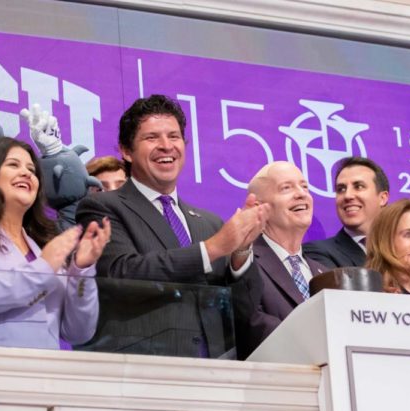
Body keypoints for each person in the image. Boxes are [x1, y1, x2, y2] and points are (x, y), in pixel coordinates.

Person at [75, 94, 268, 357]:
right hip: (144, 368)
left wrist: (241, 252)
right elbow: (120, 275)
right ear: (126, 150)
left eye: (174, 136)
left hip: (216, 371)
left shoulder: (209, 222)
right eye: (151, 137)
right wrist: (211, 249)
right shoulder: (102, 207)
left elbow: (242, 310)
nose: (166, 146)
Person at [0, 137, 110, 350]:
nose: (27, 173)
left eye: (32, 169)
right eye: (13, 165)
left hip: (44, 376)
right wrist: (42, 268)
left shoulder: (41, 244)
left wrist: (81, 270)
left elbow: (78, 332)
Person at [233, 161, 327, 359]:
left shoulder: (325, 273)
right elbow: (249, 322)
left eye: (304, 186)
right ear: (259, 207)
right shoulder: (242, 263)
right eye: (286, 188)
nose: (301, 193)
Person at [304, 156, 389, 268]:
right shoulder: (317, 252)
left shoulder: (405, 249)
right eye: (341, 189)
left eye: (358, 187)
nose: (347, 196)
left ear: (382, 198)